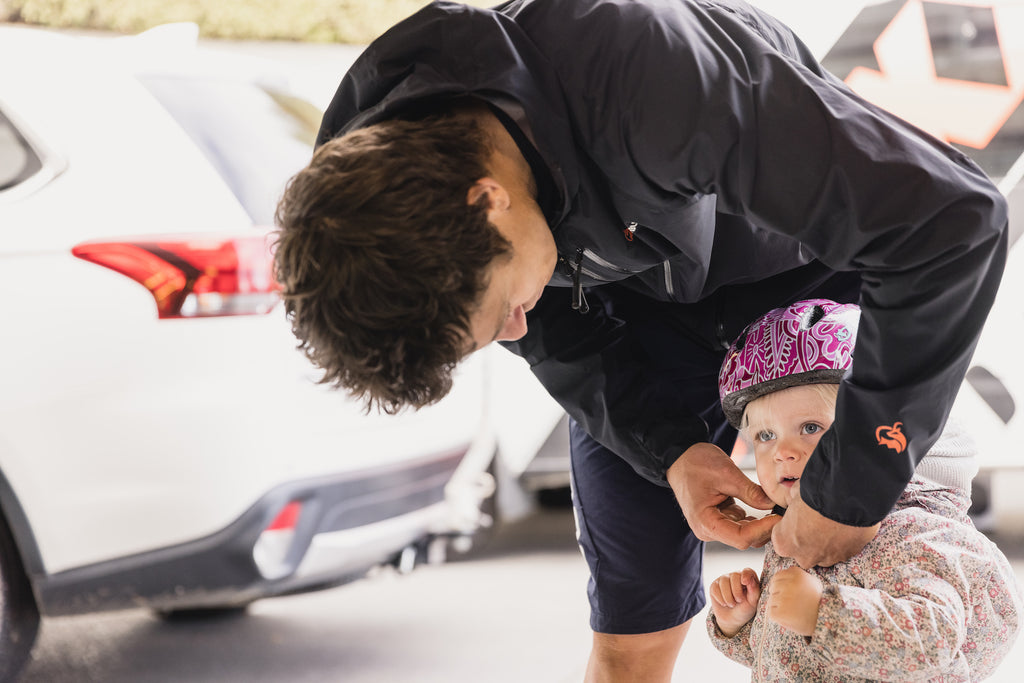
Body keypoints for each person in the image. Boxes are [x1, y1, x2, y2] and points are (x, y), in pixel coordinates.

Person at [272, 0, 1008, 679]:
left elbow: (953, 224)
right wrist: (669, 449)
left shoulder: (655, 82)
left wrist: (851, 490)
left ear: (486, 199)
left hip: (796, 286)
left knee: (877, 589)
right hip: (632, 320)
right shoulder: (376, 184)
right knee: (630, 640)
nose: (516, 330)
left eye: (499, 310)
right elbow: (547, 324)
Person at [707, 299, 1022, 681]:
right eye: (765, 435)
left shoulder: (913, 532)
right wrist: (739, 622)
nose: (782, 453)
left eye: (810, 427)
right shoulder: (792, 530)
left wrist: (820, 614)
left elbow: (931, 641)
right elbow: (791, 657)